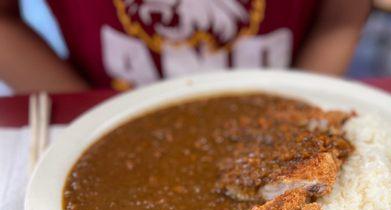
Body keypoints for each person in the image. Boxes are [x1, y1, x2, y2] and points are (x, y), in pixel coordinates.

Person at [0, 0, 371, 93]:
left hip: (287, 94)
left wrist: (294, 108)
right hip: (96, 95)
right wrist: (88, 126)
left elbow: (340, 18)